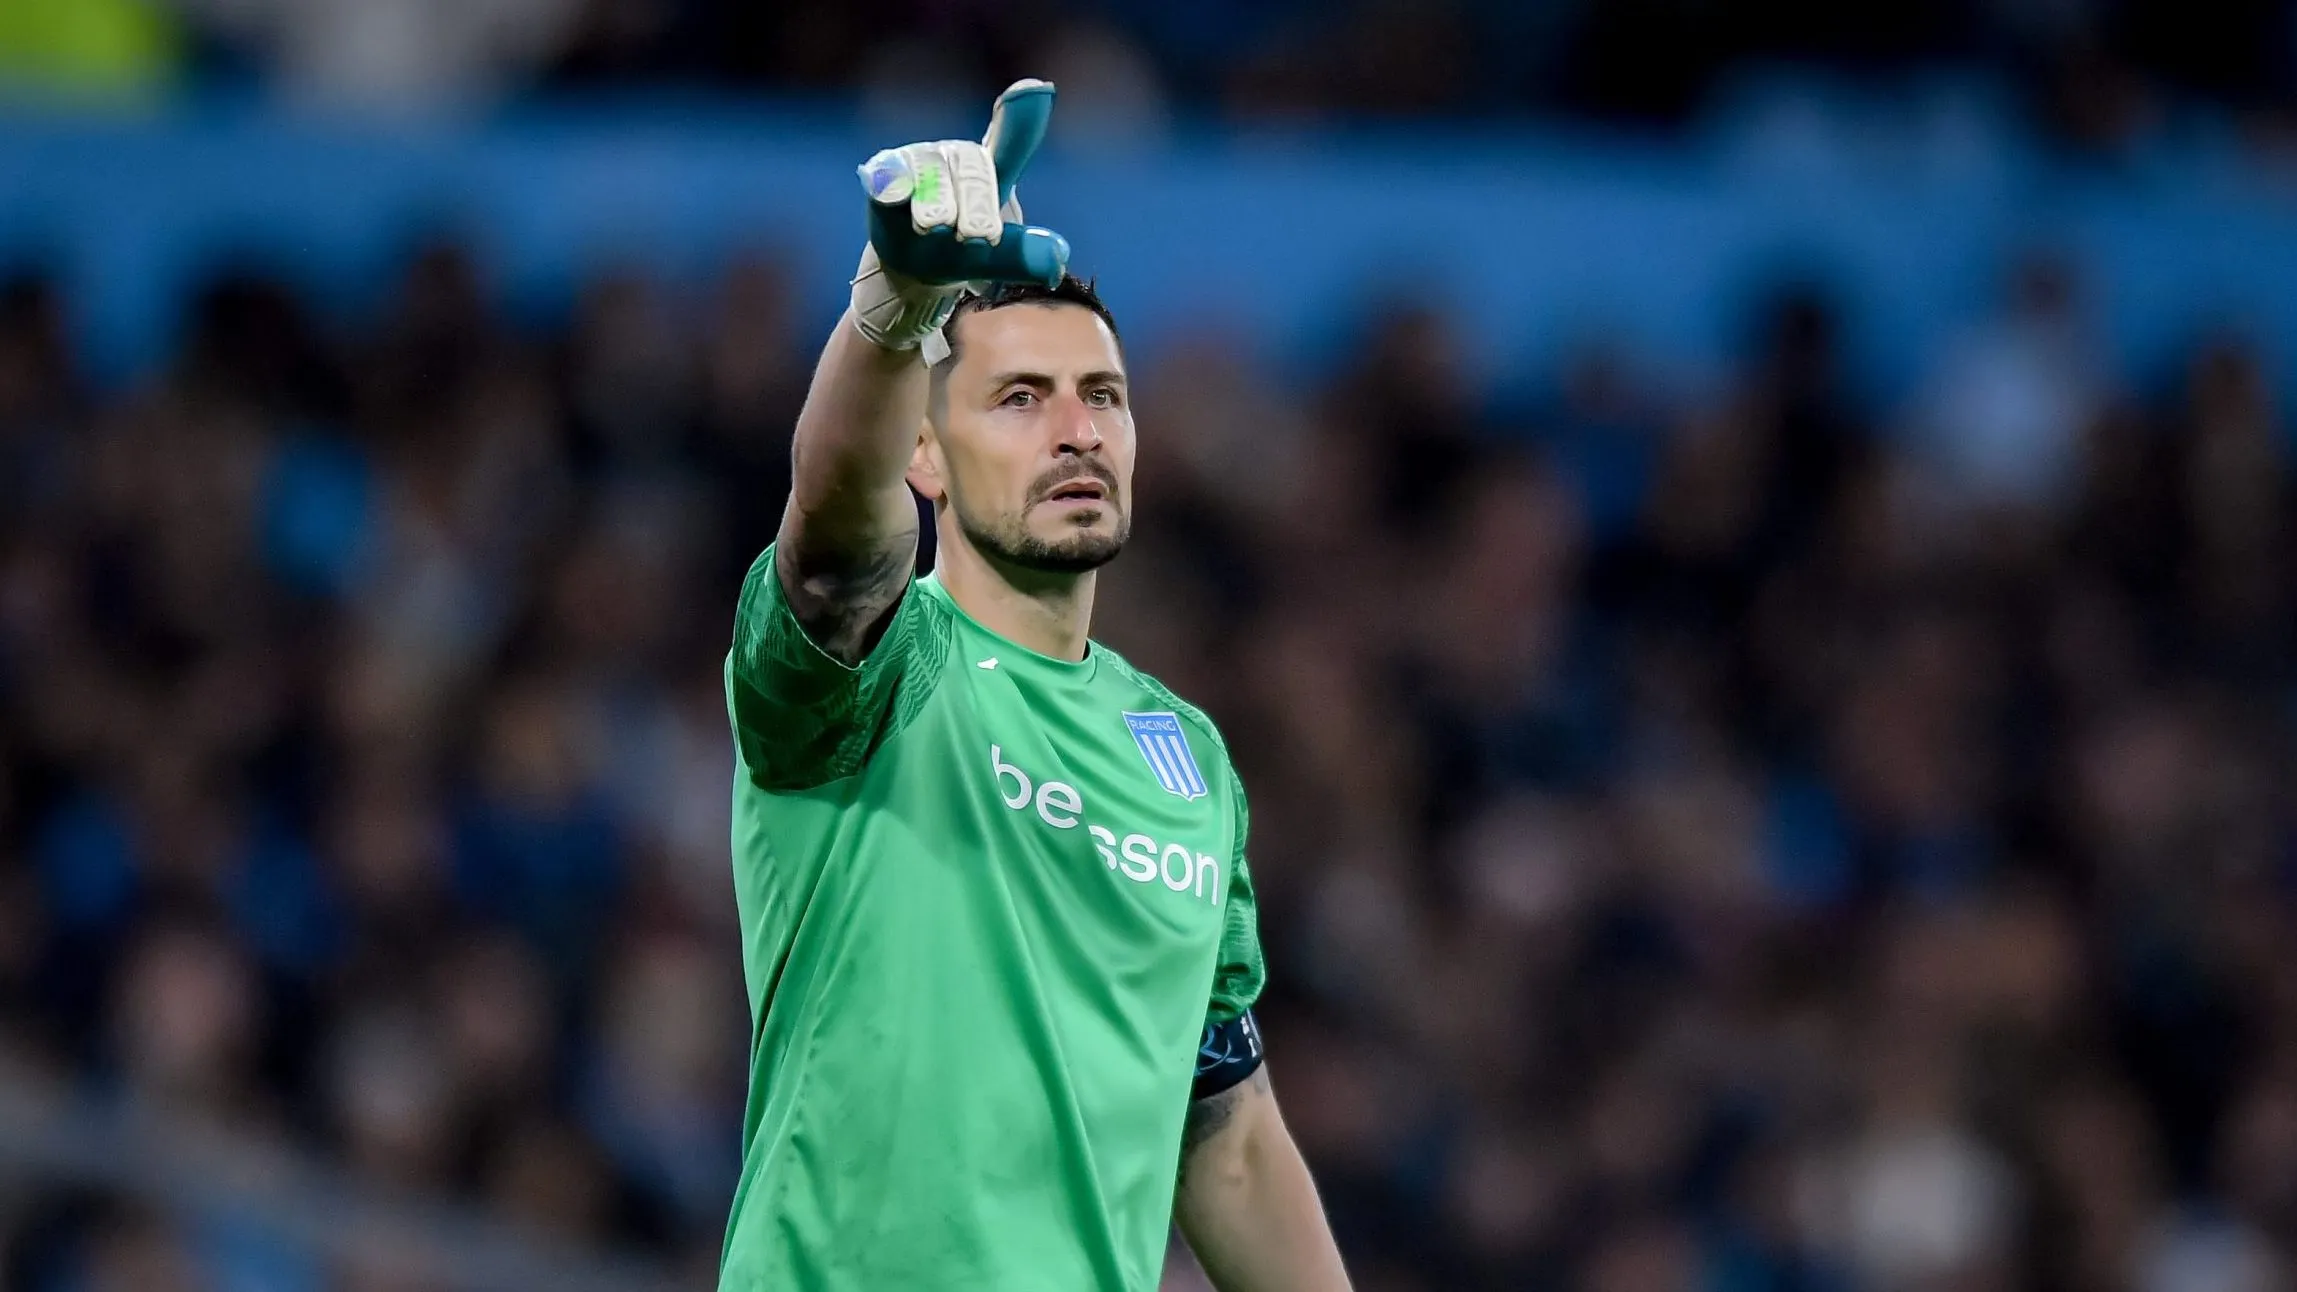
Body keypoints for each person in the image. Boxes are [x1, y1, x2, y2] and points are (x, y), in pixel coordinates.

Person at [717, 79, 1352, 1291]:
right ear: (924, 453)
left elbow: (1222, 1130)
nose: (1075, 429)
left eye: (1101, 396)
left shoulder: (1186, 756)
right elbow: (834, 535)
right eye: (1018, 398)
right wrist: (894, 308)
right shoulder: (876, 668)